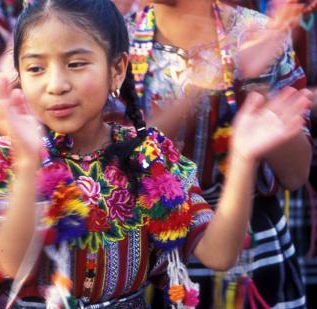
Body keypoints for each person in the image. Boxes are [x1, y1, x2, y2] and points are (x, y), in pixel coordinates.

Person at [0, 0, 313, 308]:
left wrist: (243, 158)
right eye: (36, 68)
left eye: (76, 64)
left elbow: (219, 253)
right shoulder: (2, 159)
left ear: (117, 69)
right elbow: (9, 264)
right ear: (19, 76)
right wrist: (28, 166)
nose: (56, 84)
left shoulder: (149, 156)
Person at [129, 0, 313, 307]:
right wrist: (200, 88)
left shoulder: (255, 33)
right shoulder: (117, 38)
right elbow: (117, 157)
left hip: (249, 249)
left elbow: (295, 174)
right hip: (151, 247)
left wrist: (256, 83)